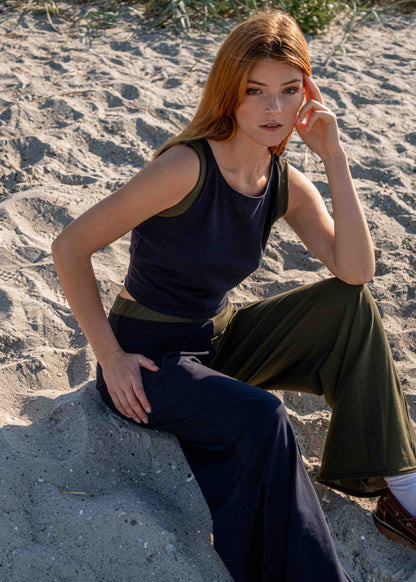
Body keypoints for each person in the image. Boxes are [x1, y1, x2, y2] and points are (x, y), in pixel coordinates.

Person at [52, 9, 416, 581]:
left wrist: (335, 157)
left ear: (307, 93)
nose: (274, 109)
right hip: (149, 357)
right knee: (266, 417)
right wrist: (110, 356)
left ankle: (404, 493)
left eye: (289, 90)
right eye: (256, 92)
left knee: (351, 307)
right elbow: (70, 247)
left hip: (217, 339)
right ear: (229, 93)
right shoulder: (184, 167)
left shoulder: (283, 181)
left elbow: (355, 270)